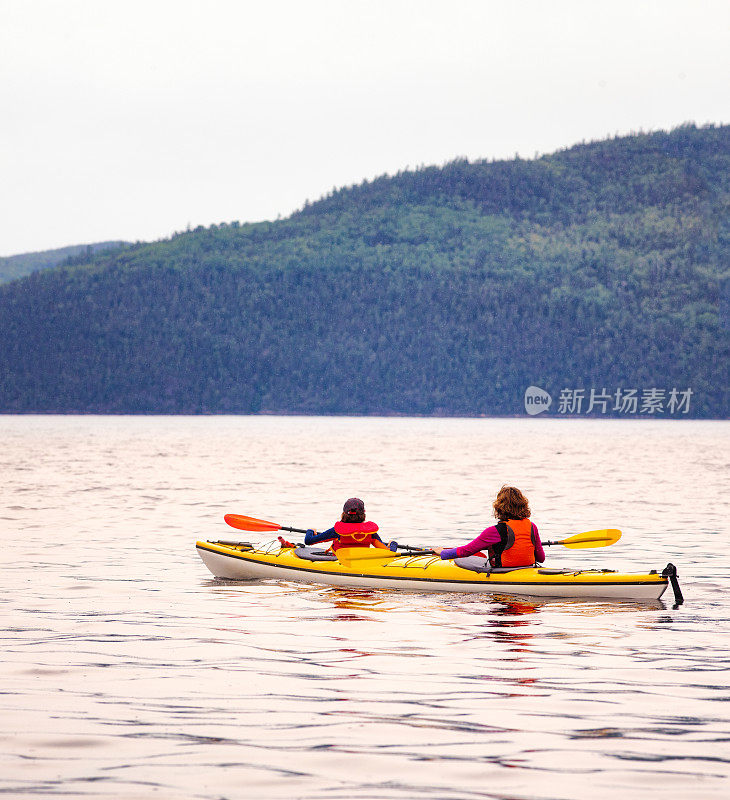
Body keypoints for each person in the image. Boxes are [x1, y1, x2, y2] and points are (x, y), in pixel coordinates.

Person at [433, 485, 545, 567]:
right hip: (528, 569)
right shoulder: (532, 526)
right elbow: (541, 558)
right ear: (523, 505)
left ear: (499, 507)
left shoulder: (495, 531)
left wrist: (443, 552)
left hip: (503, 572)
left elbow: (466, 551)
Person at [304, 498, 396, 552]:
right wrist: (393, 544)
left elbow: (309, 541)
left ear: (344, 514)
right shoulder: (370, 532)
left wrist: (310, 531)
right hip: (361, 563)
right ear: (363, 515)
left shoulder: (337, 531)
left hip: (341, 563)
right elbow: (389, 552)